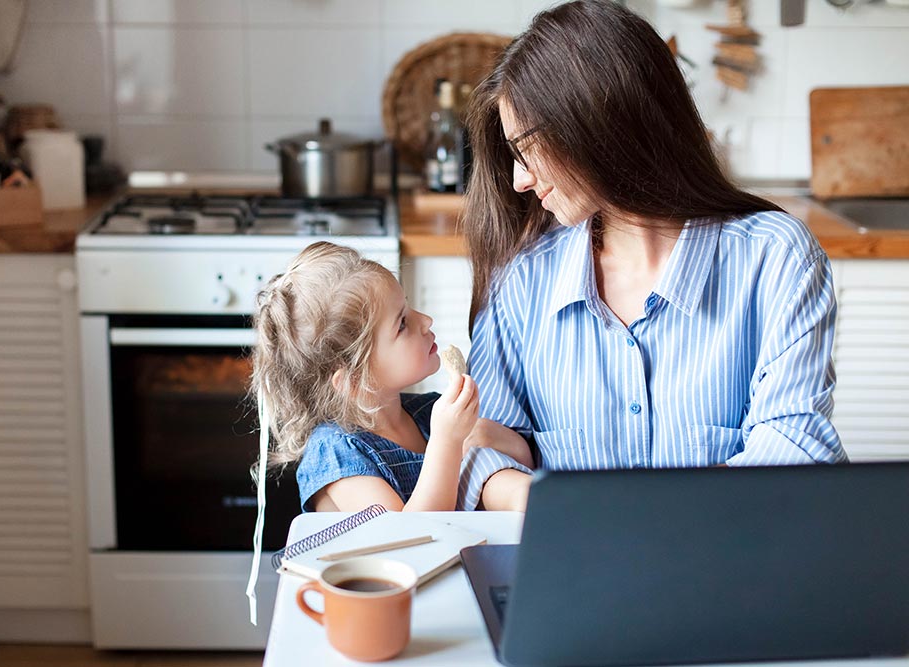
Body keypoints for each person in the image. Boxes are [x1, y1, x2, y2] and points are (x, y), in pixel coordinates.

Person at [457, 0, 848, 506]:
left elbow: (794, 451)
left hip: (730, 565)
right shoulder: (522, 281)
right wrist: (586, 517)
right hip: (570, 566)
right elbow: (480, 449)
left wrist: (636, 523)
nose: (520, 179)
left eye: (527, 147)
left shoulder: (776, 259)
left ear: (600, 121)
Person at [251, 241, 532, 514]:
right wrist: (447, 442)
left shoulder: (427, 413)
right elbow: (405, 538)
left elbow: (522, 460)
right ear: (354, 378)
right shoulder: (337, 453)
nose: (425, 321)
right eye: (402, 324)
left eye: (408, 307)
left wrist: (488, 434)